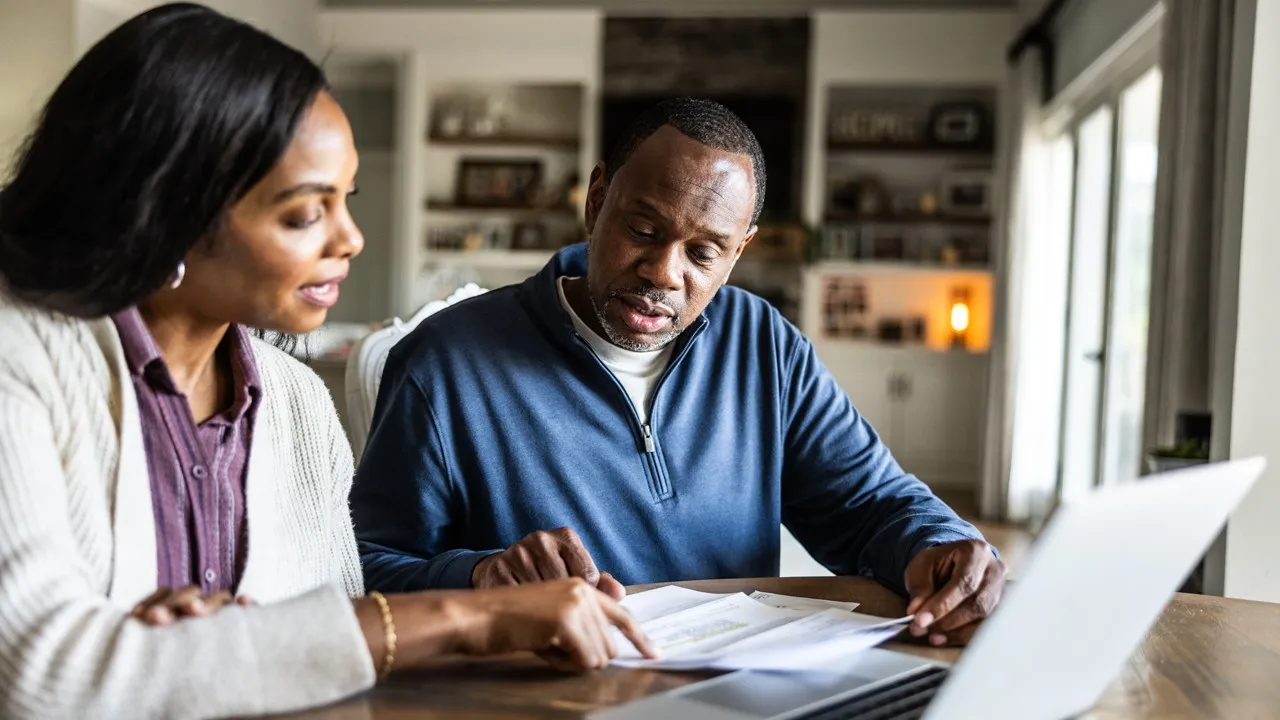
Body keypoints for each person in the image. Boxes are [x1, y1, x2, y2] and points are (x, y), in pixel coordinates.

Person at [0, 5, 653, 719]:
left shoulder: (299, 407)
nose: (351, 239)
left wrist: (211, 648)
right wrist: (476, 618)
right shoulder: (20, 357)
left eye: (347, 200)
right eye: (306, 212)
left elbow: (335, 650)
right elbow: (39, 674)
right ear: (167, 212)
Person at [353, 98, 1007, 647]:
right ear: (597, 199)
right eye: (643, 229)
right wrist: (481, 579)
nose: (666, 273)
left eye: (704, 251)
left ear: (739, 250)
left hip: (736, 690)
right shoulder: (446, 362)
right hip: (552, 693)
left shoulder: (764, 344)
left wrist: (941, 545)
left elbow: (867, 502)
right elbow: (367, 568)